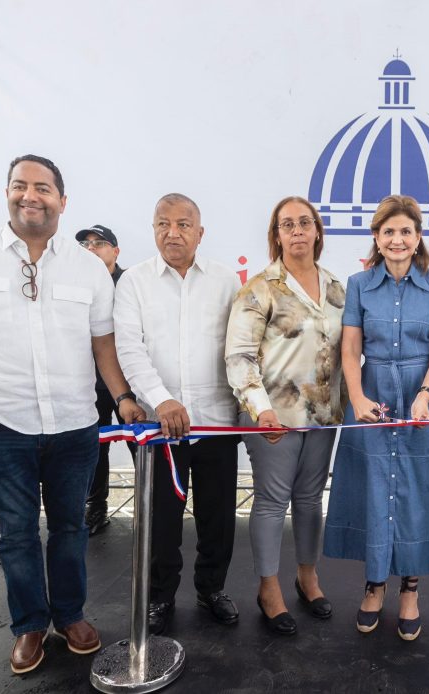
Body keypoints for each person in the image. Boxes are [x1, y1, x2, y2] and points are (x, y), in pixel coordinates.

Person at [0, 154, 144, 674]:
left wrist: (125, 396)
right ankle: (28, 626)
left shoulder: (88, 266)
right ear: (7, 194)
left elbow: (104, 344)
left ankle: (69, 616)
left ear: (62, 201)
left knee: (69, 528)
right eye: (20, 186)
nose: (31, 196)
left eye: (43, 188)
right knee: (17, 533)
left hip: (73, 424)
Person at [323, 194, 429, 641]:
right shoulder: (359, 283)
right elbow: (350, 349)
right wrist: (358, 396)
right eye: (389, 231)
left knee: (418, 495)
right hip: (372, 396)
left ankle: (409, 588)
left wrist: (425, 395)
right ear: (376, 237)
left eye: (406, 231)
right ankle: (373, 584)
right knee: (374, 490)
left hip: (424, 398)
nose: (398, 239)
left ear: (418, 236)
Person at [114, 194, 241, 636]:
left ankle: (212, 589)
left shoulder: (228, 282)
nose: (173, 232)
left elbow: (242, 347)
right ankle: (160, 597)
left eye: (184, 224)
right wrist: (160, 398)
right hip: (158, 426)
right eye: (163, 223)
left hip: (218, 422)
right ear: (152, 229)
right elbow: (128, 346)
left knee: (219, 517)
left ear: (200, 233)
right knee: (160, 522)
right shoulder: (133, 281)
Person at [225, 196, 345, 635]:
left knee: (311, 500)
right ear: (276, 235)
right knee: (274, 502)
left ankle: (307, 577)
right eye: (286, 224)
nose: (296, 230)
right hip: (271, 419)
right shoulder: (258, 288)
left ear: (317, 231)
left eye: (304, 222)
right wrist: (261, 409)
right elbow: (239, 358)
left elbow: (346, 353)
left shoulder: (336, 287)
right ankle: (269, 588)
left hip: (324, 415)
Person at [75, 224, 129, 536]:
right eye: (86, 243)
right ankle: (95, 509)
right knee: (94, 449)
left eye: (100, 242)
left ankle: (154, 509)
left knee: (143, 444)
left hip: (130, 381)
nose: (92, 248)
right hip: (88, 382)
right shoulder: (74, 284)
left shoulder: (131, 283)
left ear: (115, 251)